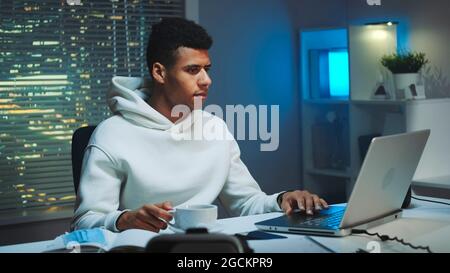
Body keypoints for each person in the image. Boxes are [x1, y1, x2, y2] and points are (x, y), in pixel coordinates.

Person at [71, 17, 328, 233]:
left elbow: (246, 203)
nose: (206, 80)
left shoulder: (215, 129)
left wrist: (283, 199)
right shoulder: (112, 135)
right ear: (160, 73)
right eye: (193, 70)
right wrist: (124, 219)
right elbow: (85, 222)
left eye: (207, 69)